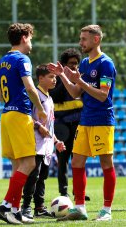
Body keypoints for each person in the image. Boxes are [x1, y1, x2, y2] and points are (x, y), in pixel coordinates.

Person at [47, 24, 117, 221]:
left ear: (96, 39)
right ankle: (80, 208)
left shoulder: (106, 64)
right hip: (85, 119)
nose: (80, 43)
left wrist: (82, 82)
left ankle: (106, 211)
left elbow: (103, 96)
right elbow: (76, 92)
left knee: (106, 163)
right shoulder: (85, 63)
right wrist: (63, 75)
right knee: (76, 162)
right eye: (80, 39)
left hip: (102, 119)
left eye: (84, 39)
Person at [0, 23, 47, 224]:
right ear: (24, 37)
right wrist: (40, 110)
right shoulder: (22, 59)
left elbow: (0, 95)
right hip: (19, 115)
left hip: (6, 114)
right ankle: (6, 205)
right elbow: (31, 88)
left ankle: (15, 210)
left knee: (18, 166)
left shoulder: (3, 61)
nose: (31, 42)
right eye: (31, 38)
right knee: (30, 163)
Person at [21, 64, 66, 219]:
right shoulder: (35, 96)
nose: (55, 80)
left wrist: (56, 141)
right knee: (33, 176)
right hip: (34, 143)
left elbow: (50, 126)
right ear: (40, 78)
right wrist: (38, 125)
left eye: (55, 77)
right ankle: (26, 207)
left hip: (46, 145)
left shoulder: (50, 98)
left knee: (42, 177)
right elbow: (25, 116)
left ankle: (39, 207)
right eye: (51, 77)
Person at [49, 48, 89, 200]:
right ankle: (63, 192)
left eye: (77, 64)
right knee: (62, 160)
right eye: (71, 63)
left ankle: (79, 191)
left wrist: (77, 81)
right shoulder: (56, 79)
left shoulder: (80, 78)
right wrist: (67, 79)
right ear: (64, 64)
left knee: (78, 159)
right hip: (61, 126)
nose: (75, 67)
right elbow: (54, 96)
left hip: (78, 123)